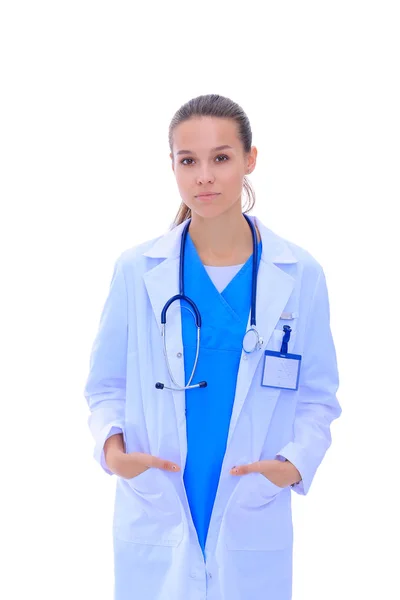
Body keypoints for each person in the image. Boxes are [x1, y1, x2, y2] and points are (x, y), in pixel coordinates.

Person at [83, 93, 342, 600]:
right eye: (189, 160)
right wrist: (115, 454)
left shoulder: (298, 275)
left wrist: (294, 464)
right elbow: (105, 386)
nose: (204, 175)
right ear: (173, 167)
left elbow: (318, 396)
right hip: (160, 498)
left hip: (251, 503)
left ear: (249, 161)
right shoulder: (138, 271)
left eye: (221, 158)